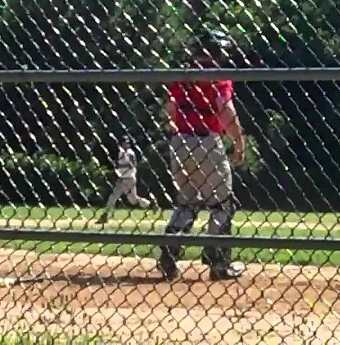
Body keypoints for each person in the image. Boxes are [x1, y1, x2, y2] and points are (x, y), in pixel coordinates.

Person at [157, 28, 247, 281]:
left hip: (180, 141)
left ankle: (170, 251)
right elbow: (225, 109)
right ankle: (218, 263)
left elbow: (170, 112)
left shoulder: (183, 77)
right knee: (221, 204)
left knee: (188, 201)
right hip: (207, 141)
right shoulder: (218, 77)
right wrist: (239, 141)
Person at [96, 135, 151, 224]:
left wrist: (117, 166)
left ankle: (150, 204)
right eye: (125, 143)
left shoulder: (130, 153)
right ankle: (105, 216)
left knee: (130, 199)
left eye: (127, 143)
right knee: (119, 197)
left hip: (129, 178)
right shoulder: (121, 152)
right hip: (123, 178)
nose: (127, 144)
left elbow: (132, 165)